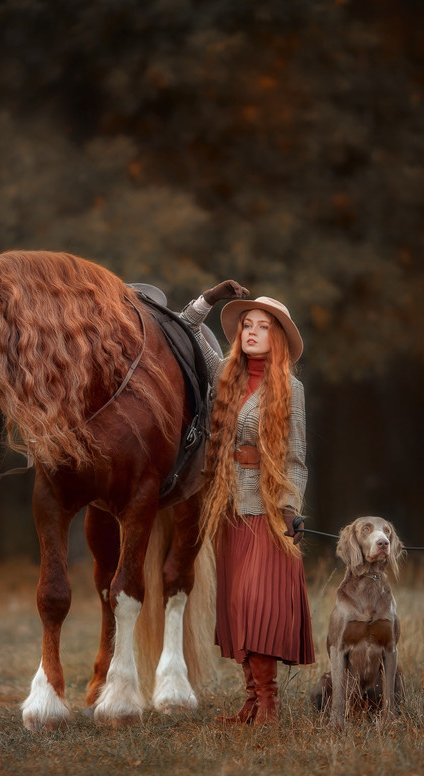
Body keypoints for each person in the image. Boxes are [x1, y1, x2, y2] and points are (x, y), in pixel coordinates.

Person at [181, 280, 313, 725]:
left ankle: (270, 704)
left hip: (270, 511)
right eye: (246, 326)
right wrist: (210, 297)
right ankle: (252, 701)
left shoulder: (291, 389)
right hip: (227, 507)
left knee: (261, 604)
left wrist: (292, 508)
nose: (251, 332)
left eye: (262, 326)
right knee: (237, 606)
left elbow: (296, 458)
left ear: (277, 338)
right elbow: (186, 325)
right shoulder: (225, 375)